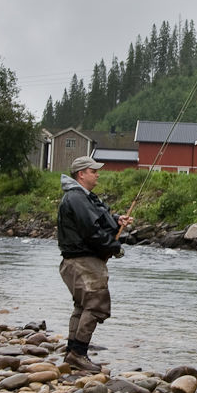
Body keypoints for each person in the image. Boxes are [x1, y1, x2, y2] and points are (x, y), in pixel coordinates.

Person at [56, 155, 133, 372]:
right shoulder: (76, 198)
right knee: (97, 304)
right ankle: (79, 353)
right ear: (81, 174)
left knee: (82, 306)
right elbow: (91, 231)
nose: (97, 174)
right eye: (93, 171)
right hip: (83, 262)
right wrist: (114, 246)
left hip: (76, 262)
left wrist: (116, 220)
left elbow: (98, 219)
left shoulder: (83, 197)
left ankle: (72, 352)